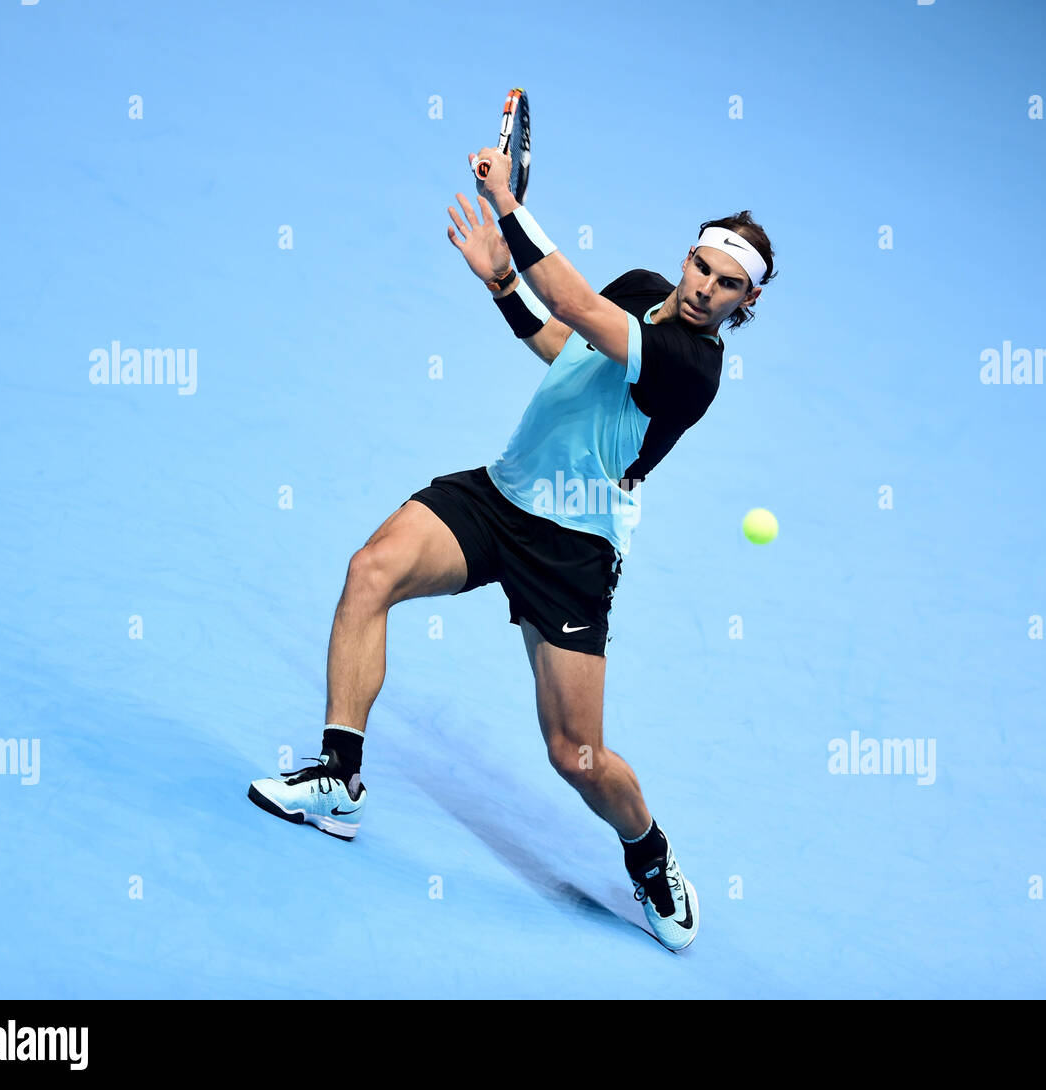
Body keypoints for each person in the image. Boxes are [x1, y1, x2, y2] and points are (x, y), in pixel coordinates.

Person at [248, 143, 776, 952]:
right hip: (503, 492)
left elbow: (574, 300)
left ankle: (651, 857)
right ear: (688, 258)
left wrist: (508, 207)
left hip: (573, 546)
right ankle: (339, 777)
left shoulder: (692, 366)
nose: (706, 289)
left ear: (746, 303)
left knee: (577, 755)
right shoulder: (645, 289)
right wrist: (500, 282)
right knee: (371, 572)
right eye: (703, 268)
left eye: (728, 285)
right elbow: (564, 343)